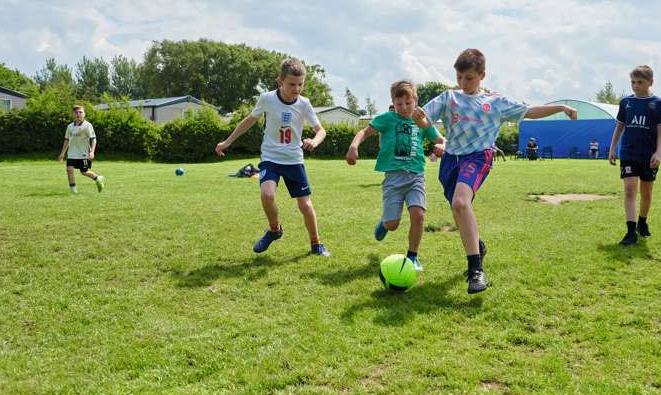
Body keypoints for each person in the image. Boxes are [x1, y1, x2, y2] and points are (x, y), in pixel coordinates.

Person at [416, 48, 578, 294]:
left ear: (482, 75)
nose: (463, 83)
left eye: (469, 78)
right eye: (459, 77)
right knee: (459, 212)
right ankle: (477, 246)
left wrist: (561, 107)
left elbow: (529, 111)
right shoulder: (448, 97)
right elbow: (426, 120)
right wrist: (420, 120)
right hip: (451, 160)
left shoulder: (495, 102)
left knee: (461, 203)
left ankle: (476, 270)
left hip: (479, 157)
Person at [215, 58, 330, 257]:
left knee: (305, 205)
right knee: (267, 194)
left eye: (300, 84)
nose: (296, 89)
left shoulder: (305, 104)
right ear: (280, 81)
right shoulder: (267, 99)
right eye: (291, 84)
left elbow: (321, 131)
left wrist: (315, 141)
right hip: (270, 157)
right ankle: (274, 229)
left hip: (294, 159)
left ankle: (316, 244)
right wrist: (227, 141)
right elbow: (249, 120)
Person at [346, 80, 445, 272]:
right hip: (393, 178)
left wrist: (441, 145)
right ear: (393, 102)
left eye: (408, 103)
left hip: (416, 176)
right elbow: (364, 132)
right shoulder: (387, 119)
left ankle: (413, 256)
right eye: (399, 104)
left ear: (415, 101)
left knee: (418, 215)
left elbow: (440, 138)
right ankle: (385, 223)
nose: (404, 108)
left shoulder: (422, 121)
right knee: (393, 224)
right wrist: (353, 146)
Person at [608, 65, 661, 246]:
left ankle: (642, 222)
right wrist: (612, 149)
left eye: (640, 82)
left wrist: (658, 153)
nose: (635, 85)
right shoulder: (626, 102)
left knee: (646, 194)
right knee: (629, 191)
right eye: (633, 82)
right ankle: (630, 232)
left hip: (648, 156)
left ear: (651, 82)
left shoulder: (657, 104)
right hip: (628, 153)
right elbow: (619, 127)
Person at [57, 105, 104, 194]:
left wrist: (92, 152)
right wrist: (62, 153)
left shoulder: (87, 126)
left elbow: (93, 139)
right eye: (76, 112)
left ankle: (98, 178)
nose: (78, 114)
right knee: (69, 169)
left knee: (84, 172)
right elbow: (67, 140)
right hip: (72, 153)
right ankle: (73, 191)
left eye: (80, 112)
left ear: (84, 114)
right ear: (73, 114)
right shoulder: (70, 127)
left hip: (83, 154)